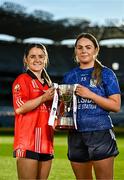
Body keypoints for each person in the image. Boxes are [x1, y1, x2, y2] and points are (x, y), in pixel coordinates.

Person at [63, 33, 121, 180]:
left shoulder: (106, 74)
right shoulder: (69, 76)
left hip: (100, 132)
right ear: (75, 51)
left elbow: (115, 106)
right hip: (76, 134)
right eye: (80, 47)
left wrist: (91, 95)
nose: (84, 51)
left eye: (88, 47)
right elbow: (66, 106)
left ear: (96, 50)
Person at [12, 43, 55, 180]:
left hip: (47, 142)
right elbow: (20, 107)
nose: (37, 60)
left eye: (41, 56)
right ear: (26, 59)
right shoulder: (22, 80)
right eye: (32, 56)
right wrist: (43, 97)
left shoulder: (50, 85)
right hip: (27, 142)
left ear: (45, 59)